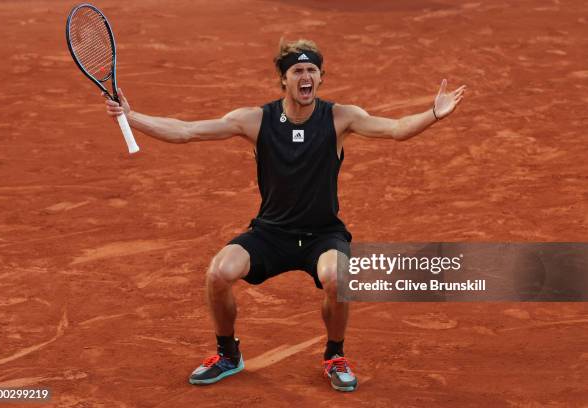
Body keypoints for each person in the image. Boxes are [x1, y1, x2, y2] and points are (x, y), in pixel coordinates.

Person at [104, 38, 466, 392]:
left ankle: (334, 355)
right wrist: (131, 116)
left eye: (312, 70)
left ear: (321, 77)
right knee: (218, 273)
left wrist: (433, 114)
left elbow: (396, 129)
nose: (305, 76)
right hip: (270, 233)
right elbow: (186, 131)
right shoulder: (256, 120)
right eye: (297, 70)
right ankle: (228, 355)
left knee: (337, 279)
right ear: (284, 79)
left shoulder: (341, 118)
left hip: (322, 234)